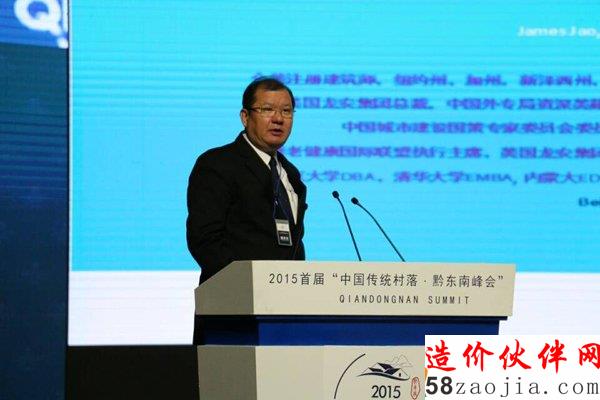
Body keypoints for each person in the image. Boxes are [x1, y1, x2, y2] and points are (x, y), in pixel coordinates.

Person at [186, 77, 307, 287]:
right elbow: (205, 240)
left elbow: (294, 246)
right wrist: (249, 285)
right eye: (267, 109)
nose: (278, 118)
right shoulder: (217, 164)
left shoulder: (291, 174)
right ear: (245, 116)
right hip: (235, 298)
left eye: (286, 111)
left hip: (286, 298)